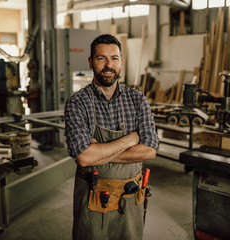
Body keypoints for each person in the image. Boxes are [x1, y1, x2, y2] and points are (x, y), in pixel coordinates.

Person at [64, 34, 159, 240]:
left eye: (114, 58)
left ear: (121, 62)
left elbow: (150, 149)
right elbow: (83, 157)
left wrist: (99, 152)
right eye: (101, 58)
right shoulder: (77, 103)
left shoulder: (137, 99)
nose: (109, 65)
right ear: (91, 62)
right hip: (92, 196)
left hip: (131, 196)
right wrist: (130, 139)